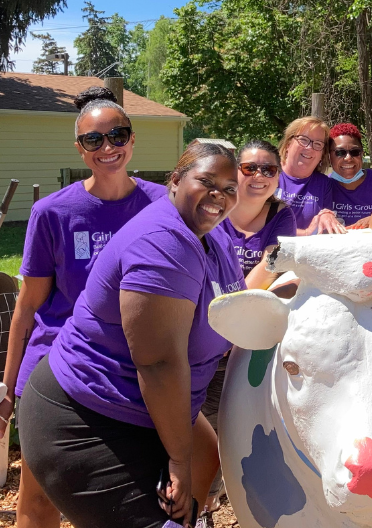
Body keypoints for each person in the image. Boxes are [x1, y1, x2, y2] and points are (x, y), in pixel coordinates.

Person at [19, 142, 246, 528]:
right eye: (206, 181)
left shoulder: (214, 232)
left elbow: (231, 303)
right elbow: (157, 363)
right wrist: (179, 460)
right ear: (174, 181)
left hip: (143, 411)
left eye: (228, 188)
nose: (218, 196)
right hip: (89, 415)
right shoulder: (163, 243)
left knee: (194, 481)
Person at [0, 86, 168, 528]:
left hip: (134, 373)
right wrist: (7, 388)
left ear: (132, 140)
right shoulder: (53, 212)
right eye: (94, 139)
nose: (107, 147)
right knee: (38, 501)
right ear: (80, 148)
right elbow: (28, 307)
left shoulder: (162, 206)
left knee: (128, 503)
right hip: (55, 372)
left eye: (117, 135)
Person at [220, 139, 297, 289]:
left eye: (269, 170)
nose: (259, 175)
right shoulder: (216, 207)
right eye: (249, 168)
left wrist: (233, 306)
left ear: (278, 177)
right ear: (235, 172)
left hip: (246, 304)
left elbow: (269, 264)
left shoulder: (282, 215)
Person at [275, 116, 343, 235]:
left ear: (322, 154)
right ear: (287, 144)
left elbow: (323, 222)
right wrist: (305, 233)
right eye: (303, 140)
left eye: (317, 144)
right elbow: (256, 225)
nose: (309, 148)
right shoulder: (269, 174)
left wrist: (327, 215)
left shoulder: (324, 184)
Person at [325, 123, 372, 229]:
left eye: (355, 152)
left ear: (362, 154)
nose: (348, 158)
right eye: (340, 152)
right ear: (329, 156)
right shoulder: (324, 187)